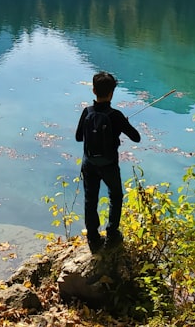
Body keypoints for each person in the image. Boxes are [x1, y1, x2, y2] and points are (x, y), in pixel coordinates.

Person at [75, 71, 141, 253]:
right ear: (112, 92)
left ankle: (93, 237)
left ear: (93, 90)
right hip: (109, 165)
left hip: (89, 164)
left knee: (90, 199)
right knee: (116, 196)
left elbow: (78, 138)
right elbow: (136, 138)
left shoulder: (87, 112)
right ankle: (112, 234)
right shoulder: (116, 115)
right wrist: (122, 125)